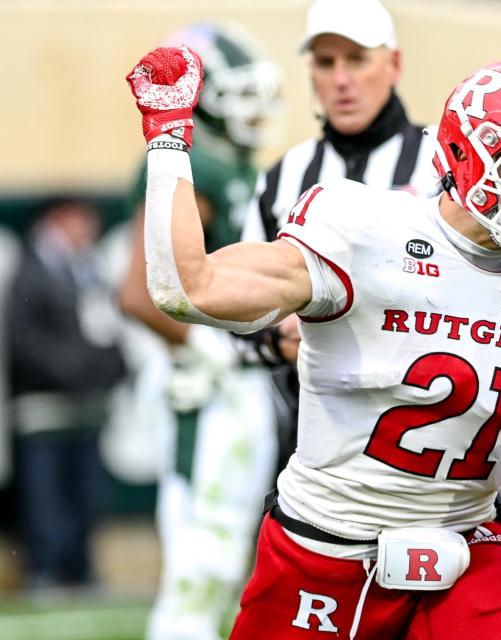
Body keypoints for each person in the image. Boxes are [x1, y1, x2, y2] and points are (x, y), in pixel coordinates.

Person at [127, 43, 501, 638]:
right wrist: (168, 140)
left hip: (468, 546)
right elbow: (189, 289)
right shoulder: (365, 231)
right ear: (467, 152)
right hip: (326, 548)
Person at [118, 23, 281, 640]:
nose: (254, 112)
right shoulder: (195, 162)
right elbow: (139, 291)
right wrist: (211, 348)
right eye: (240, 95)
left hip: (241, 381)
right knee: (200, 562)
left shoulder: (236, 165)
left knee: (226, 555)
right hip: (205, 381)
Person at [236, 0, 441, 465]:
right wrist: (275, 340)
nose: (341, 80)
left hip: (426, 434)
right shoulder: (282, 176)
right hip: (311, 442)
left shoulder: (444, 164)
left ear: (394, 64)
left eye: (357, 59)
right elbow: (239, 313)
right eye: (326, 63)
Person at [7, 198, 126, 591]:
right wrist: (72, 371)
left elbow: (106, 330)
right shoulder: (31, 271)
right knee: (46, 494)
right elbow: (24, 342)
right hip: (44, 408)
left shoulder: (88, 271)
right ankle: (45, 568)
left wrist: (109, 370)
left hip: (86, 406)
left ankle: (79, 567)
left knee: (85, 492)